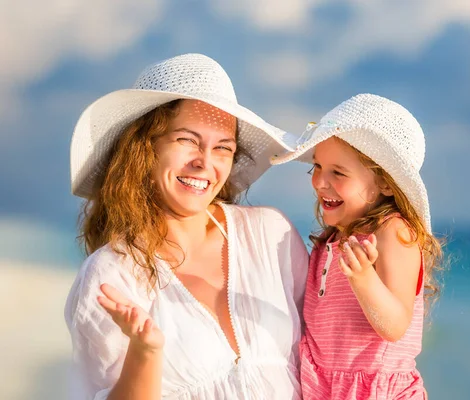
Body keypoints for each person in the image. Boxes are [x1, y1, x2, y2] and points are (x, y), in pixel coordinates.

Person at [65, 53, 308, 400]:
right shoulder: (110, 276)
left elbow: (329, 353)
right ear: (144, 148)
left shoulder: (271, 236)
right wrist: (144, 352)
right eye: (187, 140)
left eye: (223, 148)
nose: (204, 162)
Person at [271, 93, 444, 399]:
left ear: (387, 183)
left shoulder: (393, 231)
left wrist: (364, 279)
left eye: (338, 172)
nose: (320, 182)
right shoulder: (329, 243)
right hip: (324, 389)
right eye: (317, 168)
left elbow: (394, 326)